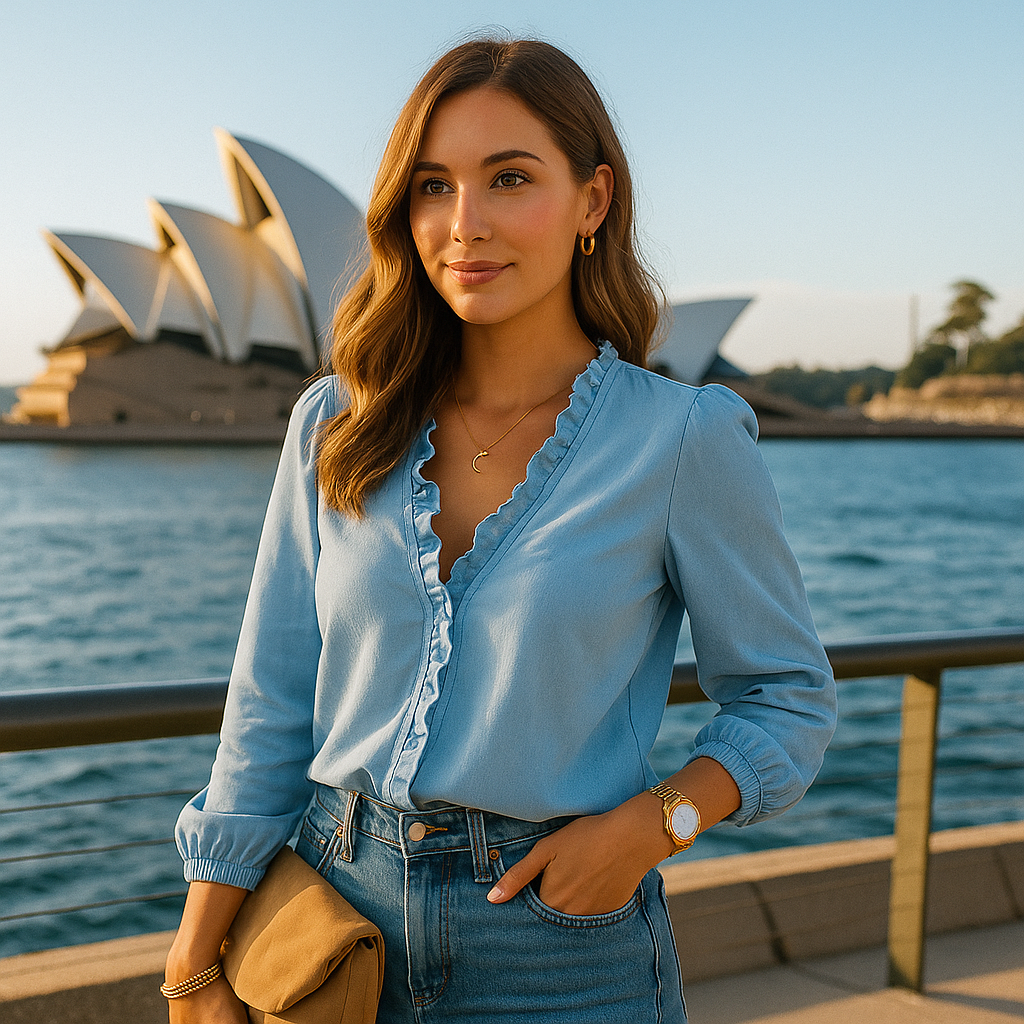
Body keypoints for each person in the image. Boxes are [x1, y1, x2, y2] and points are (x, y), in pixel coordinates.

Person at [167, 37, 837, 1023]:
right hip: (327, 929)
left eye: (509, 178)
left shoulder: (683, 438)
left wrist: (657, 824)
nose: (463, 225)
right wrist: (193, 957)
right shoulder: (336, 423)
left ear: (592, 202)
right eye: (433, 185)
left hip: (561, 950)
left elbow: (787, 697)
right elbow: (268, 706)